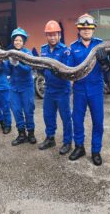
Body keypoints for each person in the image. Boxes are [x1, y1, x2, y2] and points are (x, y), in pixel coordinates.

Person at [68, 13, 110, 166]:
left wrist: (106, 63)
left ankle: (96, 151)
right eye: (83, 28)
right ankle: (79, 147)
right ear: (79, 30)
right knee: (77, 120)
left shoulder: (100, 46)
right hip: (79, 89)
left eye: (89, 28)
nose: (86, 30)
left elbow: (108, 70)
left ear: (93, 30)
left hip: (96, 89)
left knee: (98, 121)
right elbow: (69, 69)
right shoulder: (73, 48)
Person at [38, 20, 73, 155]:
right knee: (48, 115)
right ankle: (50, 138)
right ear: (46, 36)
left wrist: (55, 70)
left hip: (62, 90)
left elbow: (67, 70)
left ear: (59, 35)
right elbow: (42, 68)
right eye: (49, 35)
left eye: (55, 34)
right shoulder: (43, 50)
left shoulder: (66, 51)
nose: (52, 37)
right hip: (49, 89)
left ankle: (67, 142)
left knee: (66, 117)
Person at [8, 27, 37, 146]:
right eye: (15, 40)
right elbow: (7, 71)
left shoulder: (27, 53)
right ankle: (21, 134)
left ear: (24, 41)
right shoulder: (10, 53)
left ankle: (31, 133)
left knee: (28, 110)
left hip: (26, 87)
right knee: (16, 111)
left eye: (20, 40)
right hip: (14, 87)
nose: (17, 42)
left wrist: (18, 64)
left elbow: (28, 69)